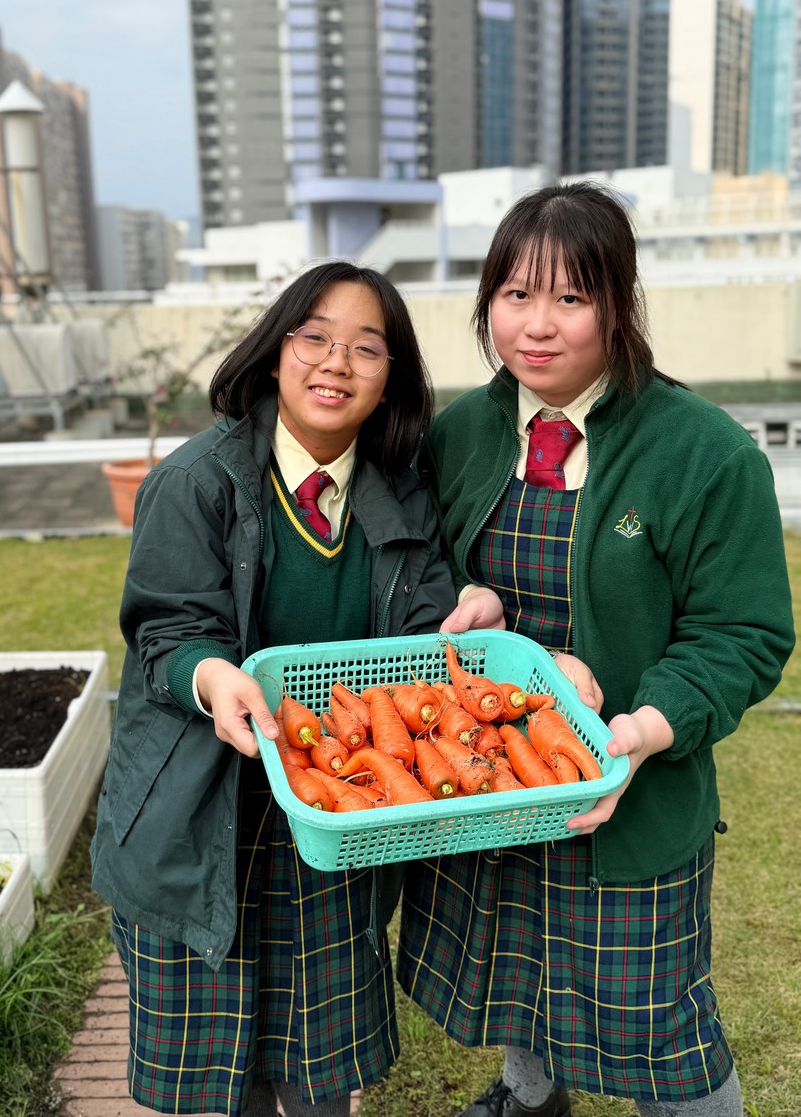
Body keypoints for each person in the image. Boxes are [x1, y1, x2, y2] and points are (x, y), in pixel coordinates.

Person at [397, 181, 795, 1117]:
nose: (536, 325)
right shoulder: (461, 434)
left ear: (618, 305)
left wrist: (640, 732)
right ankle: (530, 1097)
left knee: (658, 1026)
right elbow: (417, 571)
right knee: (515, 974)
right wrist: (462, 598)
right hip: (492, 781)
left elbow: (742, 635)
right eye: (515, 294)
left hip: (627, 789)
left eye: (570, 297)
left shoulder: (702, 453)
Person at [90, 260, 467, 1117]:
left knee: (322, 1069)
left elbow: (421, 628)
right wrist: (212, 676)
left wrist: (456, 626)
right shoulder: (197, 480)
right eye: (315, 338)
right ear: (273, 353)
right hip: (203, 814)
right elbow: (166, 632)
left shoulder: (401, 493)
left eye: (366, 348)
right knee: (225, 1078)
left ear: (390, 379)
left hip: (334, 810)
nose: (336, 363)